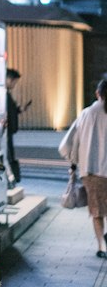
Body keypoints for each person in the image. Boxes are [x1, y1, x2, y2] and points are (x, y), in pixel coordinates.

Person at [58, 76, 107, 259]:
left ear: (98, 94)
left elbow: (71, 142)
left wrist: (73, 162)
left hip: (92, 172)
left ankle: (101, 246)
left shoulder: (87, 113)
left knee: (97, 211)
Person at [5, 68, 25, 185]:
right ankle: (11, 178)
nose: (14, 85)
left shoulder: (7, 94)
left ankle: (11, 178)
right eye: (14, 82)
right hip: (6, 130)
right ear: (8, 79)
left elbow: (11, 110)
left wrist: (19, 110)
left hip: (9, 130)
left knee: (10, 153)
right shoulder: (3, 94)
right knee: (9, 153)